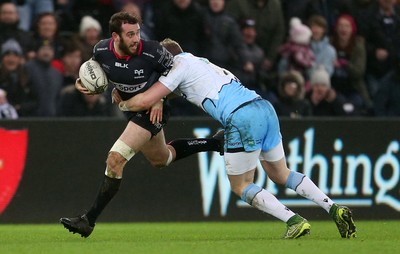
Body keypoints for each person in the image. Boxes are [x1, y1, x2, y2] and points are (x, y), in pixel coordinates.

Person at [116, 38, 357, 239]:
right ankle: (333, 208)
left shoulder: (176, 69)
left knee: (240, 185)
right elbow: (174, 92)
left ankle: (293, 220)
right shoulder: (200, 62)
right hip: (264, 108)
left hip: (241, 118)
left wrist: (123, 102)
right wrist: (160, 97)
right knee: (280, 173)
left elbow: (146, 99)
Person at [59, 12, 223, 238]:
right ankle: (215, 143)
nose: (136, 38)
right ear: (115, 36)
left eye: (137, 32)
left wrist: (159, 98)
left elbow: (178, 76)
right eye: (130, 34)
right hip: (133, 108)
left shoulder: (153, 51)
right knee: (160, 159)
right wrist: (83, 83)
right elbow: (96, 71)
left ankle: (88, 220)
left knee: (115, 159)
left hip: (154, 111)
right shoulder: (100, 51)